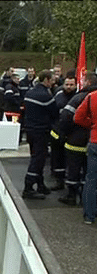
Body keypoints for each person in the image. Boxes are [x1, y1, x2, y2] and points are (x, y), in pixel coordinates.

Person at [58, 73, 97, 206]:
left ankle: (71, 195)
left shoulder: (80, 97)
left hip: (76, 139)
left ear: (88, 82)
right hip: (92, 140)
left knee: (73, 168)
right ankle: (86, 199)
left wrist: (66, 133)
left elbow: (66, 117)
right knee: (89, 172)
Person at [22, 70, 59, 199]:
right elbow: (55, 113)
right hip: (41, 130)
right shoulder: (46, 96)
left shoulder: (30, 92)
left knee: (36, 156)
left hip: (30, 129)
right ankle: (28, 186)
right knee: (38, 159)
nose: (54, 82)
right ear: (47, 80)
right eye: (52, 80)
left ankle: (40, 184)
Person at [74, 80, 97, 223]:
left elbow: (78, 117)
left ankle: (89, 215)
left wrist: (92, 126)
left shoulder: (91, 96)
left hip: (95, 141)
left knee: (91, 180)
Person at [50, 76, 77, 190]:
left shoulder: (78, 97)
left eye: (71, 85)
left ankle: (71, 184)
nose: (69, 87)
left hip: (72, 134)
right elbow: (52, 112)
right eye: (67, 84)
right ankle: (59, 181)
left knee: (72, 161)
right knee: (57, 159)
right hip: (57, 132)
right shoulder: (58, 95)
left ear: (75, 85)